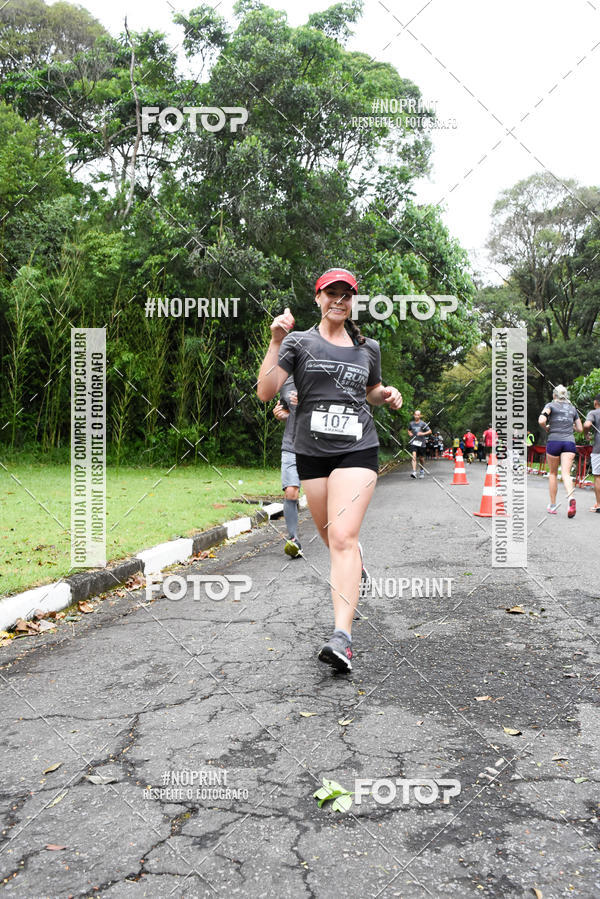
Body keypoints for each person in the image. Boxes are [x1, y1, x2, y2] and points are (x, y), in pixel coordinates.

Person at [257, 267, 403, 674]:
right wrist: (275, 340)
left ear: (353, 301)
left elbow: (371, 392)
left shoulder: (368, 347)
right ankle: (357, 563)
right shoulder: (298, 342)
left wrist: (387, 394)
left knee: (341, 536)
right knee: (330, 536)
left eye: (346, 294)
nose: (339, 300)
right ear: (318, 298)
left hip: (358, 448)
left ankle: (342, 638)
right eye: (331, 293)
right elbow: (266, 392)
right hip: (311, 452)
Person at [538, 384, 583, 517]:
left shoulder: (550, 405)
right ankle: (571, 498)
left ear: (554, 395)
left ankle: (553, 505)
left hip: (554, 441)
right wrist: (569, 425)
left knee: (553, 473)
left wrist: (547, 428)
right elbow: (580, 429)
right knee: (566, 474)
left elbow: (541, 420)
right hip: (569, 443)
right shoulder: (572, 408)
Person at [272, 375, 302, 556]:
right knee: (291, 491)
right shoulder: (286, 382)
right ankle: (293, 540)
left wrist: (307, 403)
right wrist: (281, 415)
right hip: (291, 445)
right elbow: (285, 410)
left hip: (319, 447)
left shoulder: (322, 376)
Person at [583, 393, 600, 512]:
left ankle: (599, 505)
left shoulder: (593, 413)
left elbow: (587, 424)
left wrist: (586, 434)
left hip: (598, 449)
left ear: (595, 402)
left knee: (598, 476)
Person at [407, 410, 432, 479]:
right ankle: (414, 472)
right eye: (415, 415)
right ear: (414, 415)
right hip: (414, 442)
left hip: (421, 443)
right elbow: (409, 430)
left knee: (421, 458)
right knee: (414, 456)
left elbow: (430, 431)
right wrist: (410, 433)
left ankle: (421, 470)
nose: (416, 416)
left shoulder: (423, 423)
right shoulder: (411, 423)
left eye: (418, 415)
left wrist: (422, 433)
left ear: (420, 416)